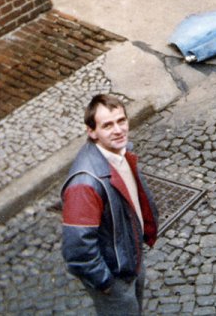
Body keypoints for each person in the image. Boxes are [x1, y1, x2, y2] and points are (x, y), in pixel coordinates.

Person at [61, 94, 159, 315]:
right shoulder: (85, 185)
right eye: (107, 125)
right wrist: (106, 284)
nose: (118, 130)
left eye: (121, 121)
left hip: (130, 259)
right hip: (115, 276)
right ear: (92, 132)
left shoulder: (120, 153)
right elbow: (77, 252)